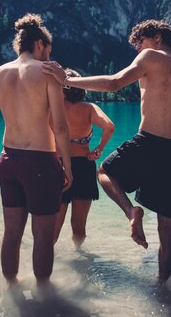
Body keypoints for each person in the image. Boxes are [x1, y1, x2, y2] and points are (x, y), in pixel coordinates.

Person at [43, 20, 171, 281]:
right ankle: (162, 288)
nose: (138, 49)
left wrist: (66, 79)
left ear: (157, 37)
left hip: (148, 142)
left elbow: (114, 83)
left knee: (104, 172)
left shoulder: (151, 57)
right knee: (166, 226)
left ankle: (131, 211)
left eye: (140, 42)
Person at [0, 13, 73, 284]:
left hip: (8, 159)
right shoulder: (47, 73)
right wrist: (68, 166)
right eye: (48, 50)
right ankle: (42, 298)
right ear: (40, 44)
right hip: (41, 163)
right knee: (43, 236)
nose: (48, 56)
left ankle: (11, 293)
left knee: (11, 233)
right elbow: (61, 126)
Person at [54, 69, 115, 247]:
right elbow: (109, 127)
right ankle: (80, 259)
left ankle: (46, 265)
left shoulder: (54, 108)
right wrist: (99, 149)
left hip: (59, 166)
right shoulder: (89, 109)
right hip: (84, 167)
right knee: (79, 227)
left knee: (53, 229)